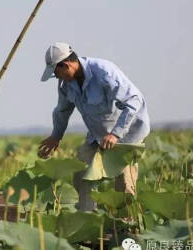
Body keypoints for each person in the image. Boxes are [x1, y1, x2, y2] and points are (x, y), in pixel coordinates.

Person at [38, 42, 150, 211]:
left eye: (56, 72)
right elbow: (62, 110)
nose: (57, 77)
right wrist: (56, 135)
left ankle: (126, 227)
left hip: (127, 134)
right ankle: (87, 219)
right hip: (98, 136)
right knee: (82, 173)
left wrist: (116, 134)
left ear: (66, 65)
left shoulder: (104, 72)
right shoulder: (65, 84)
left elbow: (134, 101)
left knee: (125, 182)